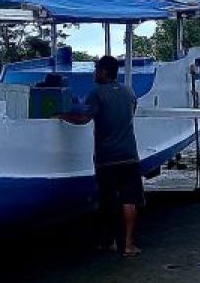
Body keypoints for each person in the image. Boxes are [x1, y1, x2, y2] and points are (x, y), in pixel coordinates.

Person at [58, 55, 143, 256]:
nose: (94, 73)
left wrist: (61, 115)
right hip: (130, 154)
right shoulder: (128, 91)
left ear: (105, 72)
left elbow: (83, 118)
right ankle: (129, 245)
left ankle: (110, 241)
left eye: (97, 69)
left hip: (107, 158)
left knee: (108, 202)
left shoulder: (96, 94)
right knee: (129, 200)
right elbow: (133, 110)